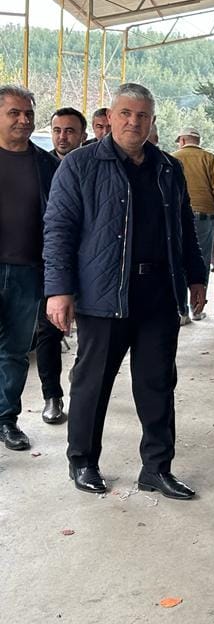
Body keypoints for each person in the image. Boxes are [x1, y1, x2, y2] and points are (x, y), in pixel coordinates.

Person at [43, 83, 207, 498]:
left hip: (158, 294)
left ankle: (156, 468)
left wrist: (196, 276)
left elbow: (184, 229)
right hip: (103, 294)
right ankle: (82, 461)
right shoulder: (81, 165)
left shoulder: (168, 168)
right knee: (92, 383)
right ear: (110, 118)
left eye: (143, 115)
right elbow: (59, 230)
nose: (134, 122)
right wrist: (59, 290)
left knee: (157, 384)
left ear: (153, 122)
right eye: (126, 114)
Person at [0, 86, 59, 451]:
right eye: (14, 113)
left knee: (16, 351)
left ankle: (6, 420)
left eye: (28, 114)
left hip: (27, 270)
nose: (24, 120)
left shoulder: (47, 165)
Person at [34, 108, 88, 426]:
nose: (62, 136)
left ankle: (83, 392)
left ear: (82, 135)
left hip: (93, 264)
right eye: (57, 130)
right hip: (52, 261)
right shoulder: (40, 166)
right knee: (49, 329)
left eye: (69, 131)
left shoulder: (96, 164)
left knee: (93, 335)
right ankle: (52, 396)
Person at [173, 130, 214, 319]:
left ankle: (180, 310)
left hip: (176, 216)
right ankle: (197, 309)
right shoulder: (210, 159)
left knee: (178, 259)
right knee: (201, 261)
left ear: (182, 141)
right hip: (204, 216)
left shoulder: (172, 158)